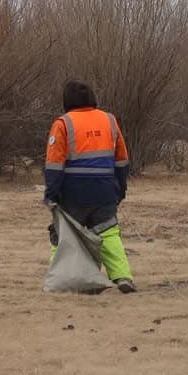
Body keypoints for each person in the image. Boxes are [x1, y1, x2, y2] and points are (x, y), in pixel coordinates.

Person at [44, 79, 136, 293]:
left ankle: (58, 279)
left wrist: (51, 195)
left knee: (64, 235)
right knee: (109, 234)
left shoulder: (63, 124)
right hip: (104, 191)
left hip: (72, 194)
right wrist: (120, 189)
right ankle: (123, 277)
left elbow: (54, 165)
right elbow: (122, 160)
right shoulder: (109, 121)